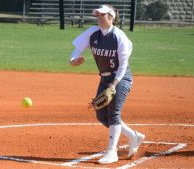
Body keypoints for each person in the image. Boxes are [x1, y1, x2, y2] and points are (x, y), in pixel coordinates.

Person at [69, 4, 145, 164]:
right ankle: (133, 136)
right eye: (97, 15)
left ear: (110, 17)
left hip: (121, 78)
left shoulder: (119, 36)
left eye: (102, 15)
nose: (98, 18)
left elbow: (123, 64)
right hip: (104, 78)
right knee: (101, 115)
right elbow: (77, 49)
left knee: (113, 113)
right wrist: (73, 60)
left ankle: (112, 152)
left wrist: (114, 84)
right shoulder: (92, 33)